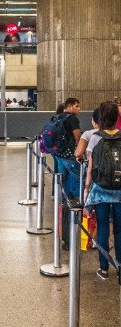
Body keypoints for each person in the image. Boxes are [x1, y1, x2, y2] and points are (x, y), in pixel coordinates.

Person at [83, 101, 121, 280]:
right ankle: (120, 266)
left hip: (101, 190)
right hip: (120, 191)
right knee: (120, 230)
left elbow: (91, 167)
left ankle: (104, 268)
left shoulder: (96, 138)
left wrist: (86, 188)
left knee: (103, 228)